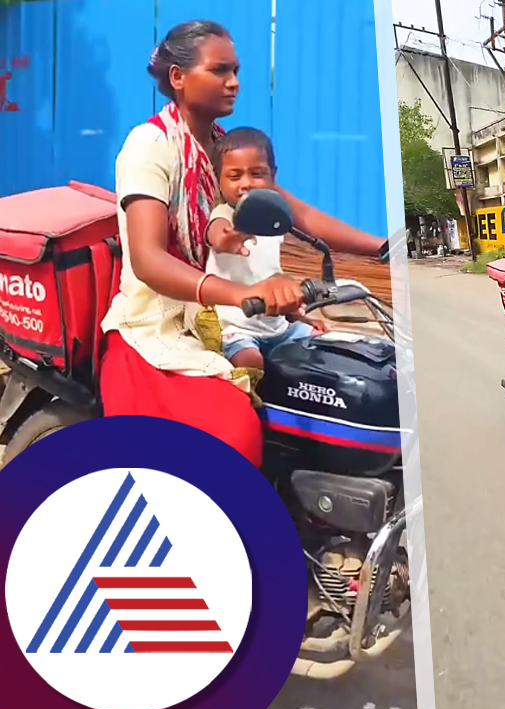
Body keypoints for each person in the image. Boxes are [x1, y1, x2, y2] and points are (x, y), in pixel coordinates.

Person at [102, 21, 386, 467]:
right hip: (158, 330)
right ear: (178, 77)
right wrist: (245, 294)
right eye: (219, 70)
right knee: (234, 436)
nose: (233, 82)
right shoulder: (151, 145)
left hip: (217, 319)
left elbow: (299, 214)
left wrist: (385, 247)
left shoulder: (222, 150)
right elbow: (148, 259)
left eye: (235, 71)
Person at [205, 127, 327, 372]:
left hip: (278, 326)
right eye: (235, 176)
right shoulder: (225, 215)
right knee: (250, 361)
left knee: (323, 350)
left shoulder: (275, 223)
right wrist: (226, 238)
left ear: (273, 176)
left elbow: (271, 272)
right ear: (219, 179)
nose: (246, 184)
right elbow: (216, 233)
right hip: (238, 330)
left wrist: (301, 316)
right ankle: (249, 407)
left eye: (257, 174)